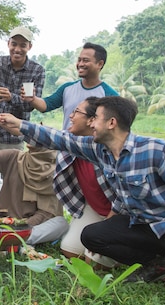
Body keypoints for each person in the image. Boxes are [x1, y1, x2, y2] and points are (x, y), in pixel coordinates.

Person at [0, 96, 165, 295]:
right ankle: (156, 265)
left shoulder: (156, 150)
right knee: (93, 236)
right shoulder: (100, 150)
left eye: (95, 118)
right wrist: (16, 123)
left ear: (112, 122)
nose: (91, 123)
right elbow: (57, 138)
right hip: (141, 224)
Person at [0, 109, 69, 247]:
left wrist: (18, 226)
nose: (32, 136)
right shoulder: (15, 157)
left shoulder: (56, 172)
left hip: (28, 227)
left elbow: (45, 213)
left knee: (61, 223)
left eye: (40, 135)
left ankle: (1, 239)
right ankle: (12, 241)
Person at [55, 97, 117, 268]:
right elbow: (45, 135)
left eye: (76, 112)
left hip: (119, 214)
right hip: (93, 209)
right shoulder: (72, 144)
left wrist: (108, 227)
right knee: (69, 250)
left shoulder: (110, 149)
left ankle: (140, 254)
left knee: (93, 262)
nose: (71, 116)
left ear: (92, 120)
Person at [0, 26, 44, 150]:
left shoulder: (37, 70)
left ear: (29, 47)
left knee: (12, 169)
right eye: (14, 44)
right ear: (8, 43)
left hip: (13, 133)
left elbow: (31, 106)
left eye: (23, 45)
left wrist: (11, 97)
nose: (17, 49)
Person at [25, 42, 118, 130]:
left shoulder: (109, 95)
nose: (80, 64)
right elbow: (46, 105)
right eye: (79, 60)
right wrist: (32, 99)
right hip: (66, 145)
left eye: (85, 60)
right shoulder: (67, 88)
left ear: (100, 64)